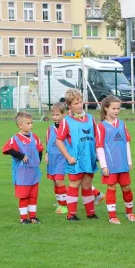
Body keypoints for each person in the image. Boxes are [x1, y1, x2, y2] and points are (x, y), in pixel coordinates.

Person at [55, 89, 100, 221]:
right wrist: (68, 157)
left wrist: (96, 153)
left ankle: (90, 213)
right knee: (74, 185)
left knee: (87, 185)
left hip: (89, 158)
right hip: (75, 159)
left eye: (81, 102)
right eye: (76, 103)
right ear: (70, 106)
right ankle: (71, 214)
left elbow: (96, 136)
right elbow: (58, 140)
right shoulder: (66, 121)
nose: (80, 105)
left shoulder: (91, 118)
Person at [96, 95, 135, 224]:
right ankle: (112, 216)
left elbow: (126, 143)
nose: (116, 111)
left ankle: (130, 212)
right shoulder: (101, 126)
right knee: (111, 188)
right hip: (110, 165)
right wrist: (103, 166)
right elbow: (99, 147)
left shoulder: (122, 124)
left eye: (118, 108)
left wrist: (129, 161)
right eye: (113, 108)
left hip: (123, 163)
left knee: (126, 188)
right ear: (106, 108)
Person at [3, 112, 43, 224]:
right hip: (22, 173)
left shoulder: (34, 137)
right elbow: (8, 149)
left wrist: (38, 160)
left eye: (32, 123)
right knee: (24, 196)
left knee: (33, 196)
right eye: (28, 123)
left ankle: (33, 217)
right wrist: (21, 156)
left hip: (34, 172)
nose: (31, 125)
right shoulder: (15, 138)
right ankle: (23, 218)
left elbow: (40, 149)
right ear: (20, 125)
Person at [45, 102, 69, 214]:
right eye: (53, 114)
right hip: (52, 157)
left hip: (62, 157)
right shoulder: (50, 128)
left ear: (64, 114)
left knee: (59, 180)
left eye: (57, 114)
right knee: (55, 181)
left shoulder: (67, 126)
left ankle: (64, 206)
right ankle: (60, 201)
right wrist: (46, 153)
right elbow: (48, 141)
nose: (54, 117)